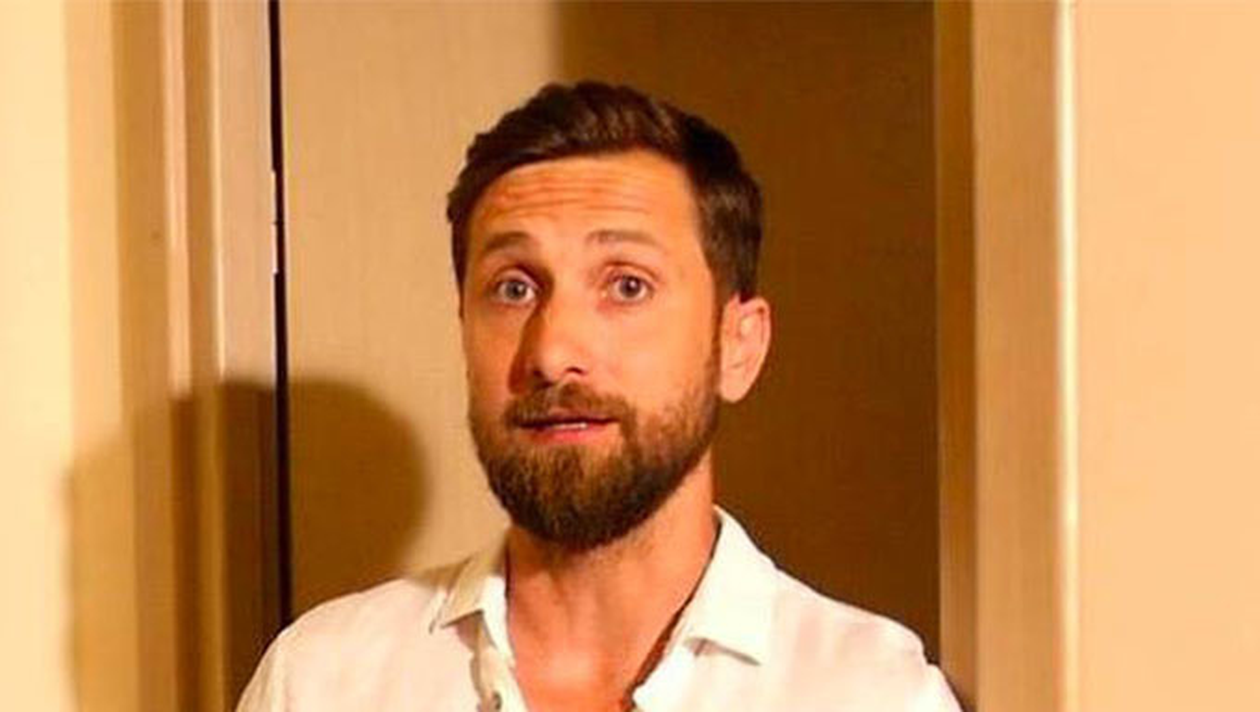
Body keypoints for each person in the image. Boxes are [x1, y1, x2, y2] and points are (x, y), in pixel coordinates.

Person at [237, 81, 961, 712]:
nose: (553, 352)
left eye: (627, 285)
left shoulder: (868, 693)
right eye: (513, 288)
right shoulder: (325, 681)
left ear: (738, 346)